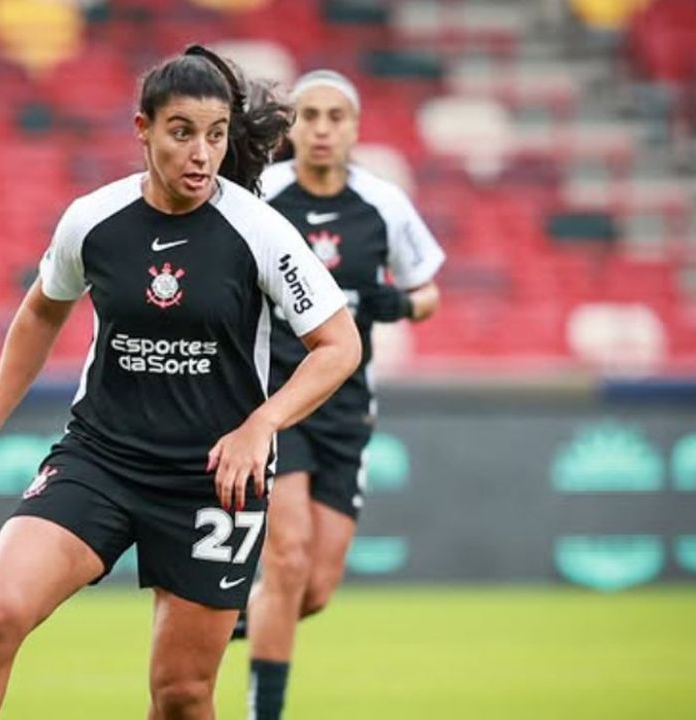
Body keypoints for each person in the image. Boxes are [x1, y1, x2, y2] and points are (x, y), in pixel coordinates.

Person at [0, 47, 361, 720]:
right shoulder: (92, 220)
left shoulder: (260, 232)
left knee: (183, 696)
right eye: (181, 132)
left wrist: (260, 426)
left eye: (215, 135)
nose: (200, 153)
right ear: (143, 129)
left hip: (211, 480)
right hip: (100, 459)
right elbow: (43, 308)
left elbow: (340, 346)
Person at [241, 70, 446, 720]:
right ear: (291, 126)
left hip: (348, 409)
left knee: (314, 588)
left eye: (336, 116)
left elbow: (429, 292)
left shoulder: (383, 204)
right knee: (289, 553)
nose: (322, 128)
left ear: (355, 128)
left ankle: (237, 612)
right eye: (308, 115)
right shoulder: (261, 197)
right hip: (279, 396)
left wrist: (402, 304)